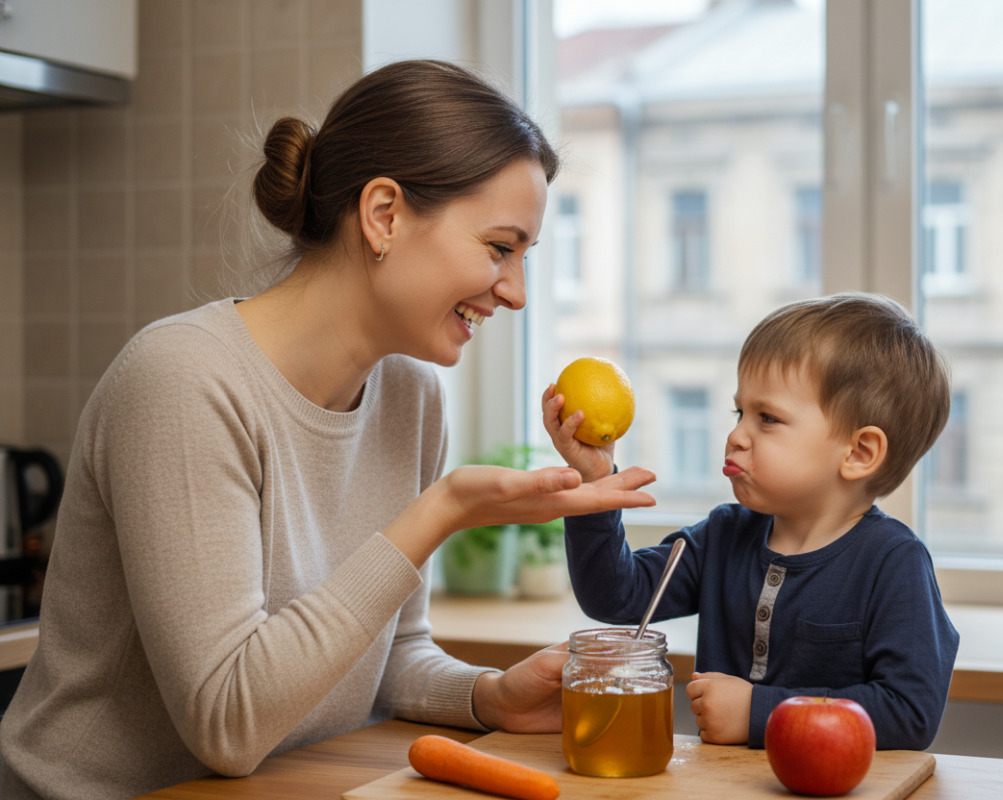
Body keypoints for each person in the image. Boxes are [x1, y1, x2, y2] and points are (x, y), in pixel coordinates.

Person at [0, 59, 657, 800]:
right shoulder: (183, 380)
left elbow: (388, 655)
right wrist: (440, 512)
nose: (516, 292)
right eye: (500, 247)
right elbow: (229, 724)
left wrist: (488, 696)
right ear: (384, 214)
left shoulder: (410, 396)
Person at [542, 292, 959, 750]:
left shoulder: (893, 562)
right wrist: (593, 484)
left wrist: (758, 712)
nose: (736, 435)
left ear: (859, 453)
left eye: (768, 418)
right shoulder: (724, 535)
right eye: (740, 412)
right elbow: (614, 596)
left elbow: (910, 712)